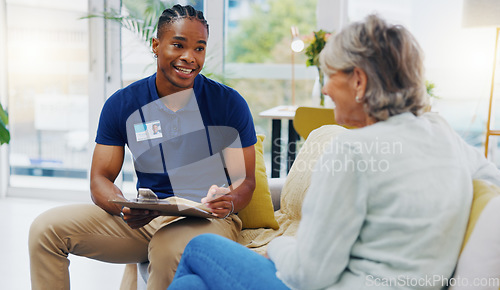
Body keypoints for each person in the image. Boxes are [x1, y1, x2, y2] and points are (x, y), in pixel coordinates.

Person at [168, 14, 500, 290]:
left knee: (199, 247)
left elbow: (309, 275)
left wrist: (279, 246)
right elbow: (491, 183)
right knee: (192, 287)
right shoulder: (444, 134)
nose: (325, 88)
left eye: (330, 75)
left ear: (359, 81)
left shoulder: (352, 151)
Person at [28, 4, 256, 290]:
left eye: (200, 48)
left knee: (166, 248)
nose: (190, 57)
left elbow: (245, 180)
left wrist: (230, 200)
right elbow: (100, 178)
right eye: (178, 45)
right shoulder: (123, 104)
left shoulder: (228, 103)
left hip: (208, 219)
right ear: (156, 45)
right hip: (148, 218)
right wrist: (123, 206)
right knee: (45, 230)